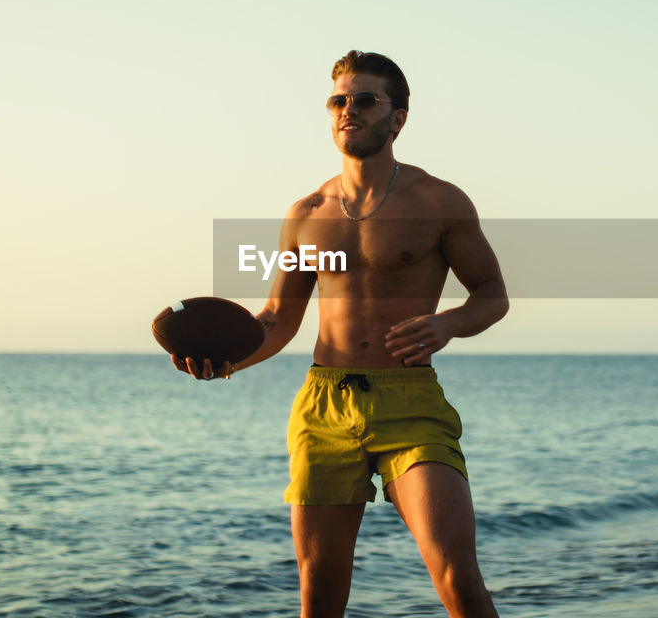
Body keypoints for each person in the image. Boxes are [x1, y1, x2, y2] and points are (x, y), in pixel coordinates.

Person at [173, 50, 508, 618]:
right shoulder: (307, 212)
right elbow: (277, 319)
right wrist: (227, 361)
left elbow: (492, 294)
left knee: (456, 575)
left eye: (363, 100)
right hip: (323, 404)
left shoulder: (438, 202)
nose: (347, 110)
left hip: (410, 401)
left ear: (397, 117)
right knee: (320, 591)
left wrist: (445, 324)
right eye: (338, 101)